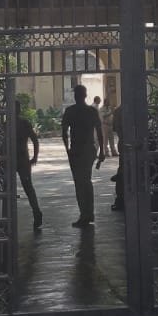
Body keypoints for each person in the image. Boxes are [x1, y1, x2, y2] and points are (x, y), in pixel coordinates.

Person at [61, 84, 105, 227]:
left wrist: (68, 150)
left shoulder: (70, 111)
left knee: (80, 183)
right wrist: (101, 151)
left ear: (75, 96)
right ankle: (88, 213)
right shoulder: (91, 111)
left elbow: (64, 133)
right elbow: (99, 131)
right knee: (86, 180)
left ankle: (85, 214)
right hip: (89, 149)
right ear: (85, 95)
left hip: (77, 149)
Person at [14, 99, 43, 231]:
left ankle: (36, 212)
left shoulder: (11, 124)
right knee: (27, 188)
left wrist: (35, 156)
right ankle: (36, 212)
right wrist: (35, 157)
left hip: (19, 160)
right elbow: (35, 140)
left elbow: (35, 140)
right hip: (20, 160)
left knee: (26, 187)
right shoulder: (22, 123)